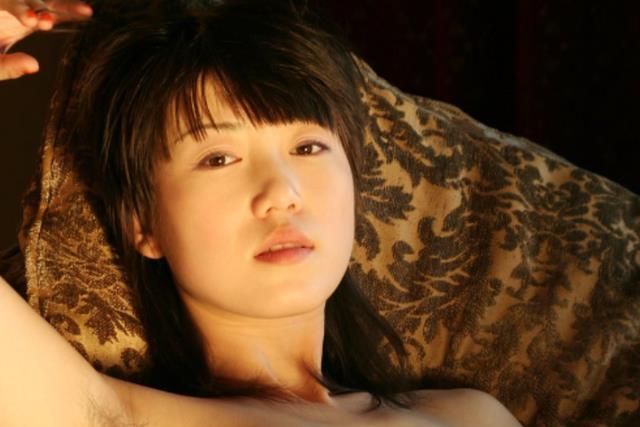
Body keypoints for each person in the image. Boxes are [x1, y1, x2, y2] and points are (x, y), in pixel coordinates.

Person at [0, 1, 522, 425]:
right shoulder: (111, 417)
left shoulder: (473, 416)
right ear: (144, 222)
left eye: (308, 147)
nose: (282, 192)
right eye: (218, 158)